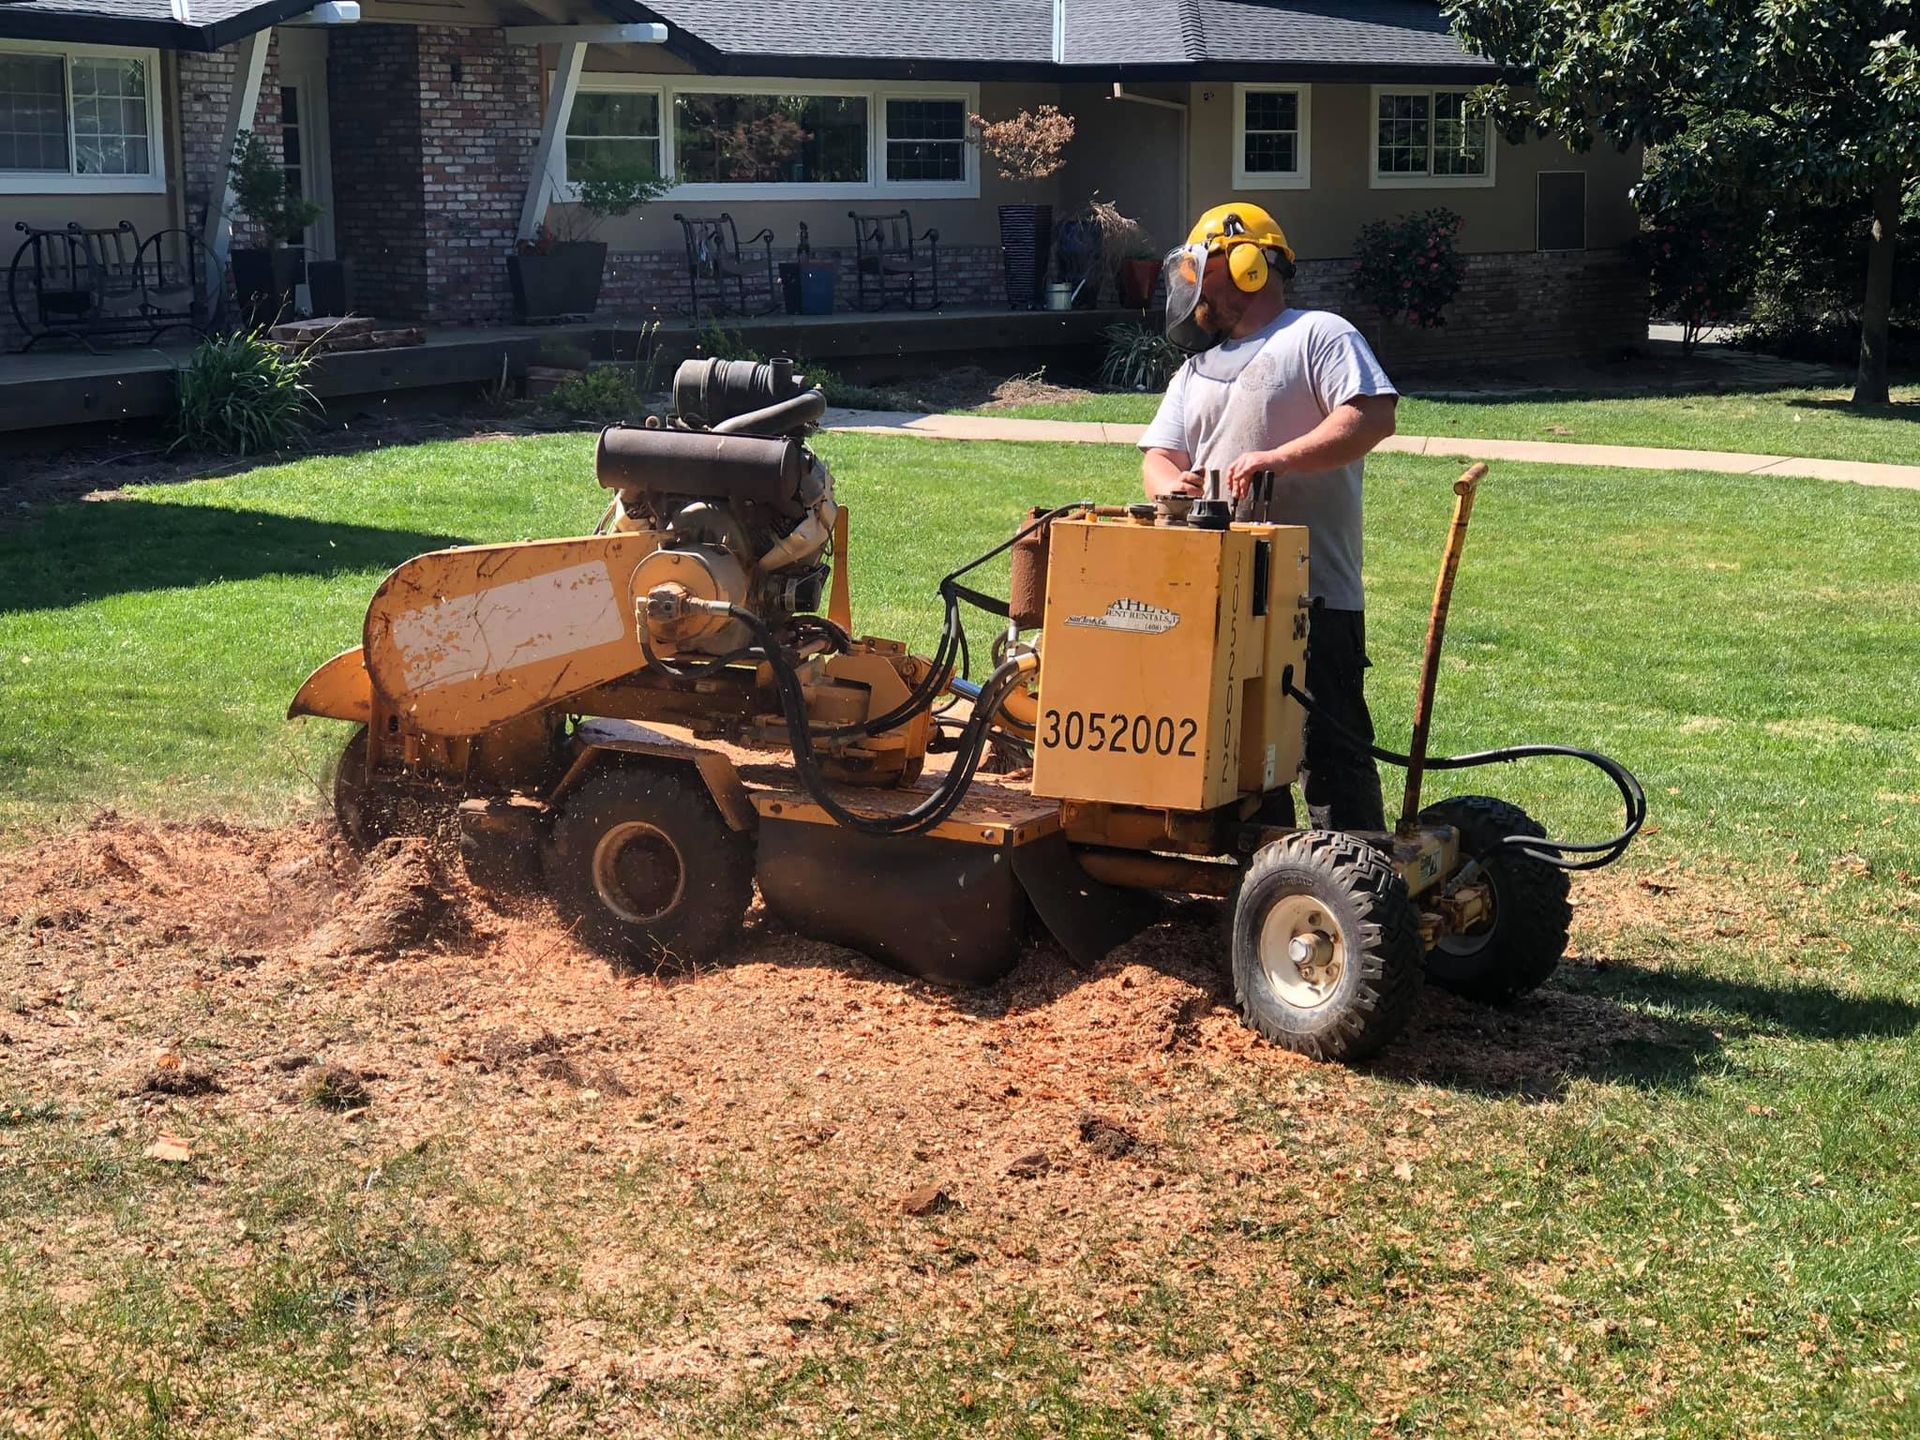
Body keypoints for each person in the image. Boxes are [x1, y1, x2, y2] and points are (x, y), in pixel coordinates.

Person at [1138, 202, 1399, 831]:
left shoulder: (1318, 334)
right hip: (1215, 595)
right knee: (1233, 748)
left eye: (1201, 268)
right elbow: (1158, 455)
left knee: (1331, 753)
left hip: (1314, 598)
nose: (1190, 288)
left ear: (1247, 264)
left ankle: (1357, 882)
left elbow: (1371, 415)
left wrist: (1277, 458)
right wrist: (1174, 482)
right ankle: (1262, 879)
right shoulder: (1195, 368)